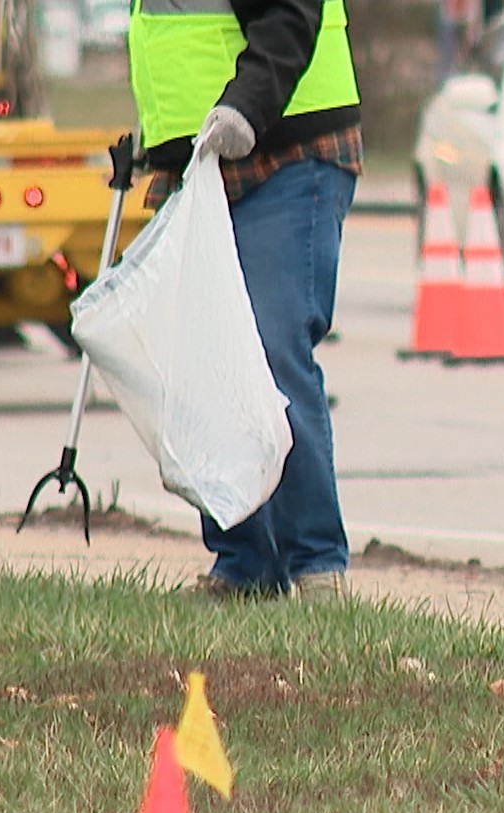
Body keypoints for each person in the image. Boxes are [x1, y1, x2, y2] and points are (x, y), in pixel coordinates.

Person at [129, 0, 361, 601]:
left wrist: (243, 106)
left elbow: (289, 16)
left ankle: (315, 566)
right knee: (207, 366)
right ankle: (245, 564)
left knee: (270, 346)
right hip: (200, 162)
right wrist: (162, 137)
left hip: (286, 148)